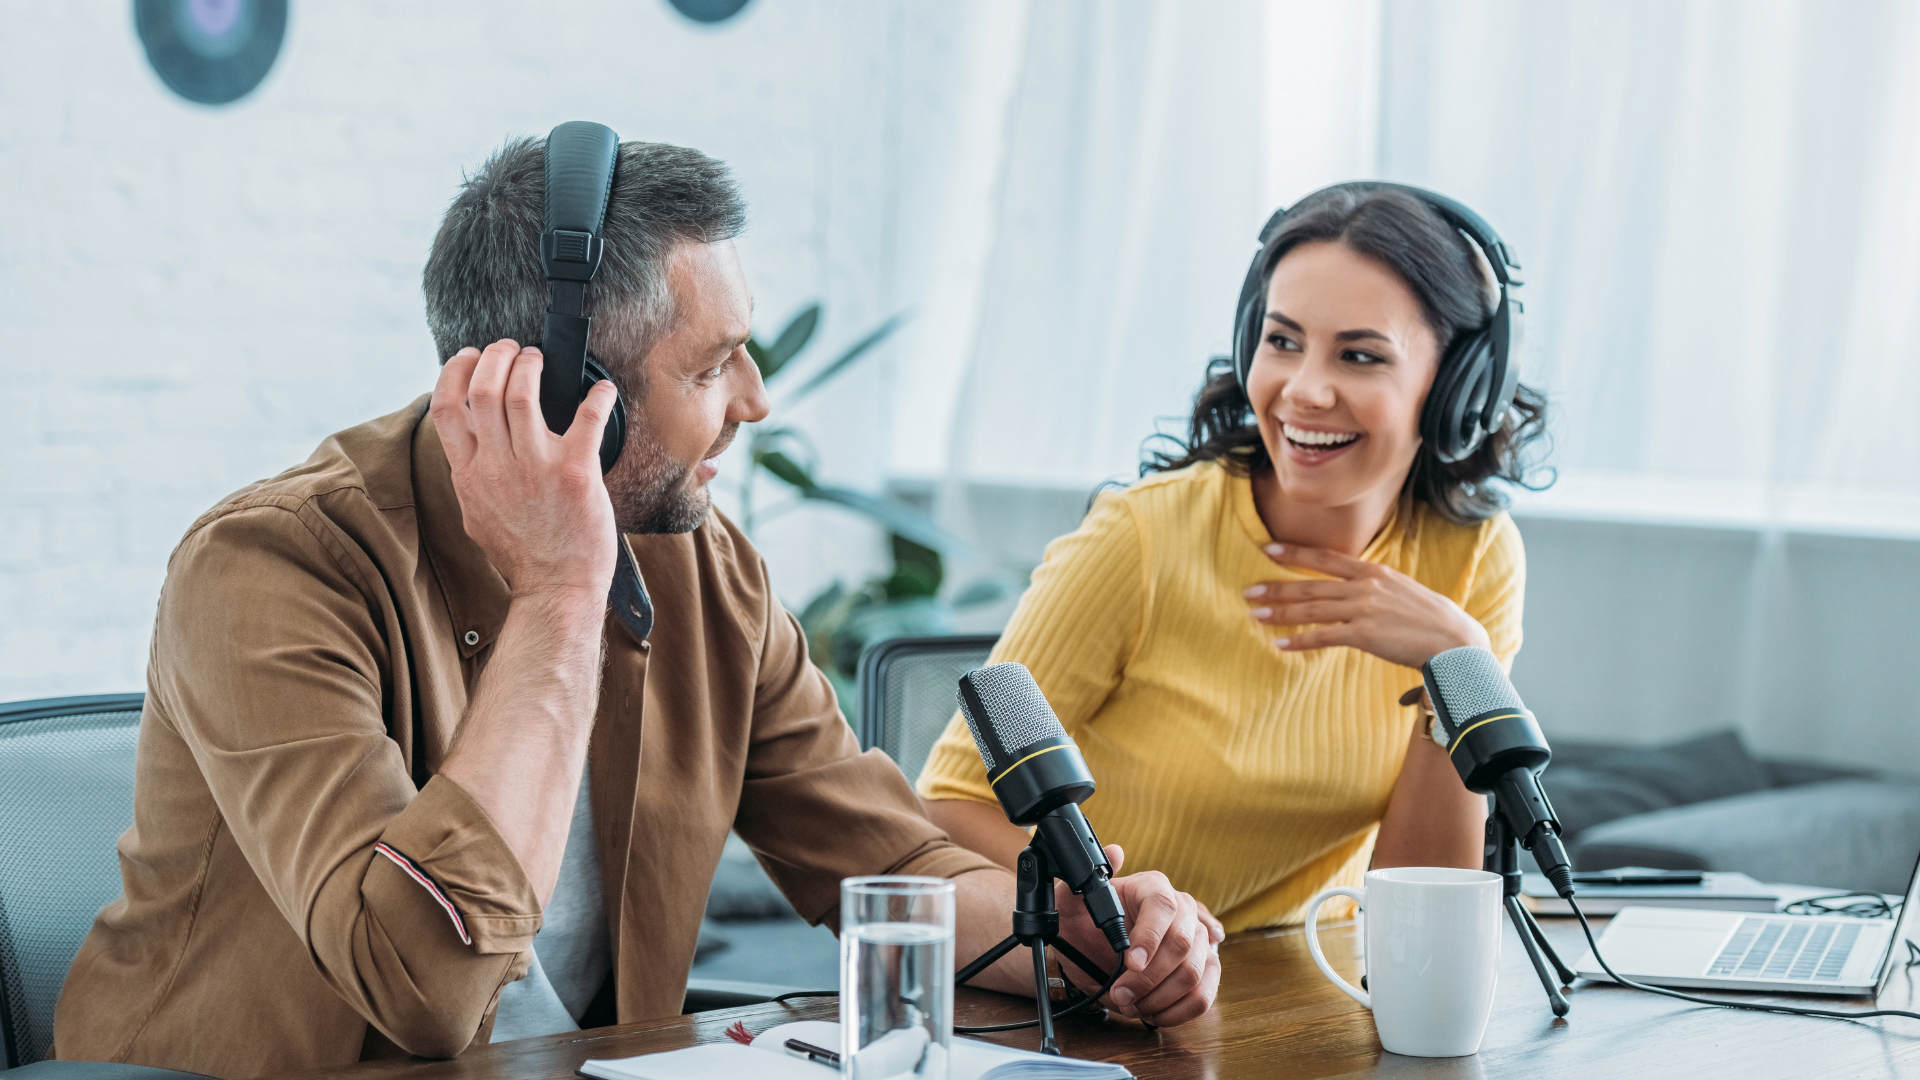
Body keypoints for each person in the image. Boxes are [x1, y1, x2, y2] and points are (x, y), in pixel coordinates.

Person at [52, 134, 1216, 1078]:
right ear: (570, 394)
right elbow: (421, 987)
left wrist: (1066, 939)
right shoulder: (272, 569)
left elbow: (886, 864)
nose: (755, 402)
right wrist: (562, 589)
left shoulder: (705, 572)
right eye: (712, 367)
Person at [918, 184, 1550, 935]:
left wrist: (1458, 664)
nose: (1304, 390)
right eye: (1282, 341)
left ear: (1455, 387)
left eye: (1358, 355)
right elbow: (949, 807)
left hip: (1304, 999)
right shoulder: (1142, 539)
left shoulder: (1474, 556)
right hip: (1116, 986)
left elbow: (1425, 915)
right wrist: (1124, 915)